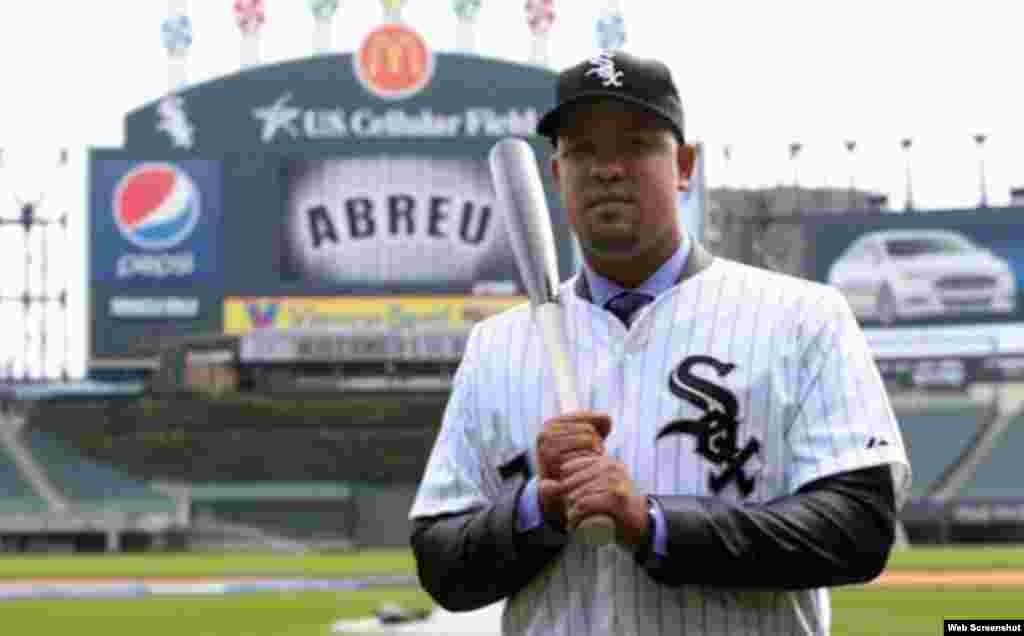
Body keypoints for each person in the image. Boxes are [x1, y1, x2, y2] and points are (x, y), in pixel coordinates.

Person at [409, 50, 911, 636]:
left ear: (684, 165)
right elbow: (442, 564)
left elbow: (857, 529)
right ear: (556, 173)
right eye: (584, 150)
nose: (608, 169)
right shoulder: (496, 345)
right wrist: (536, 508)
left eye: (636, 144)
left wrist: (654, 525)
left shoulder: (802, 317)